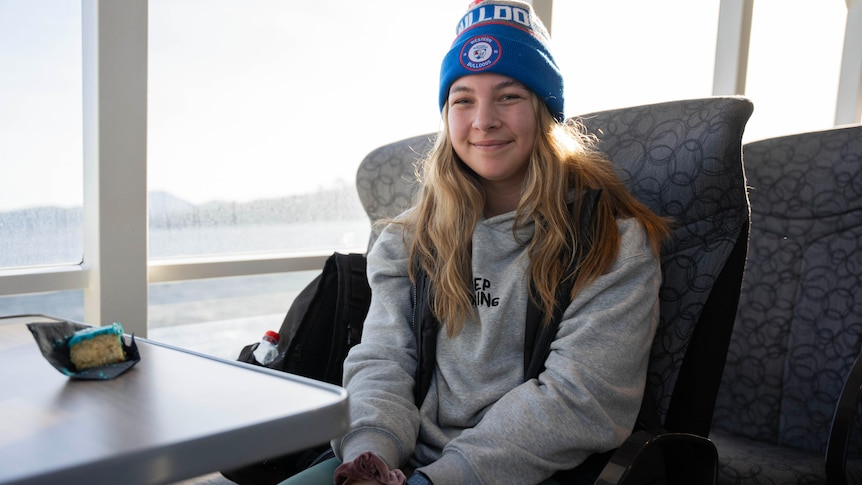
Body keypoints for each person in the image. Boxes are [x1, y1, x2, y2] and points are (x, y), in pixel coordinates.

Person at [282, 0, 670, 483]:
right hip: (392, 460)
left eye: (508, 96)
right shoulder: (407, 239)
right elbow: (383, 360)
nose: (483, 120)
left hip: (516, 471)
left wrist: (437, 479)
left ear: (545, 111)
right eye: (463, 99)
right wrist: (370, 455)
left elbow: (580, 399)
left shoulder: (610, 244)